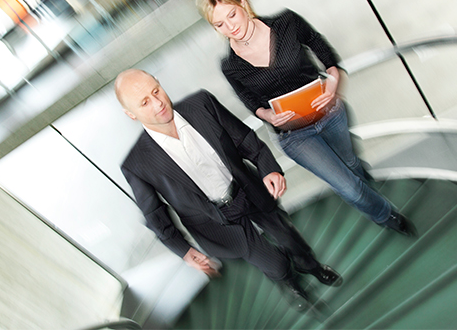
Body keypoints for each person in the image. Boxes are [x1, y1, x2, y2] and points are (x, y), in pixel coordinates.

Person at [196, 0, 416, 237]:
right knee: (349, 187)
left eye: (231, 14)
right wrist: (268, 115)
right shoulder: (230, 65)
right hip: (294, 136)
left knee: (352, 165)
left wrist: (333, 82)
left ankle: (364, 183)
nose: (230, 27)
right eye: (219, 24)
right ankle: (386, 215)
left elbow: (323, 50)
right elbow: (249, 100)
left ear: (242, 2)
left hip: (330, 114)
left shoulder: (287, 22)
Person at [116, 69, 342, 311]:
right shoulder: (136, 164)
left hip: (247, 190)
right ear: (131, 114)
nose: (158, 103)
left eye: (156, 91)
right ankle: (291, 284)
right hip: (214, 221)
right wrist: (183, 250)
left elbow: (244, 139)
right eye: (144, 102)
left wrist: (268, 169)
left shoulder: (201, 103)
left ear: (160, 83)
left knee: (289, 236)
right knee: (274, 265)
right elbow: (155, 215)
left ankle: (310, 265)